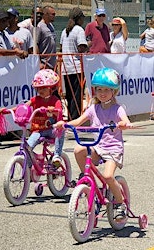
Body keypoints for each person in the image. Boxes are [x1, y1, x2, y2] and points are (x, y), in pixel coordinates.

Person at [55, 67, 134, 220]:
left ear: (114, 91)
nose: (102, 93)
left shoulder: (117, 109)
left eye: (106, 89)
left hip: (113, 148)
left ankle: (120, 204)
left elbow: (125, 120)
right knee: (78, 150)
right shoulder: (93, 108)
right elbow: (78, 121)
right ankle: (87, 179)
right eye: (98, 89)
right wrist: (64, 124)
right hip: (98, 145)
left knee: (108, 176)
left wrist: (124, 124)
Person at [0, 69, 65, 165]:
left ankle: (57, 155)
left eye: (43, 88)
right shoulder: (35, 100)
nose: (40, 91)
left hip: (51, 130)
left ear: (52, 88)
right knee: (27, 147)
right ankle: (29, 168)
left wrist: (52, 110)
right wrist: (7, 111)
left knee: (61, 130)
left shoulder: (55, 101)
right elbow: (23, 107)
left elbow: (59, 113)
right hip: (38, 131)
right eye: (38, 88)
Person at [60, 7, 88, 120]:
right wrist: (89, 44)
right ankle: (76, 119)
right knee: (77, 94)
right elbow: (81, 47)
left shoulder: (64, 31)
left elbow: (61, 47)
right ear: (79, 18)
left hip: (66, 67)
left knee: (70, 95)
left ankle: (71, 117)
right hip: (76, 66)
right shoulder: (79, 30)